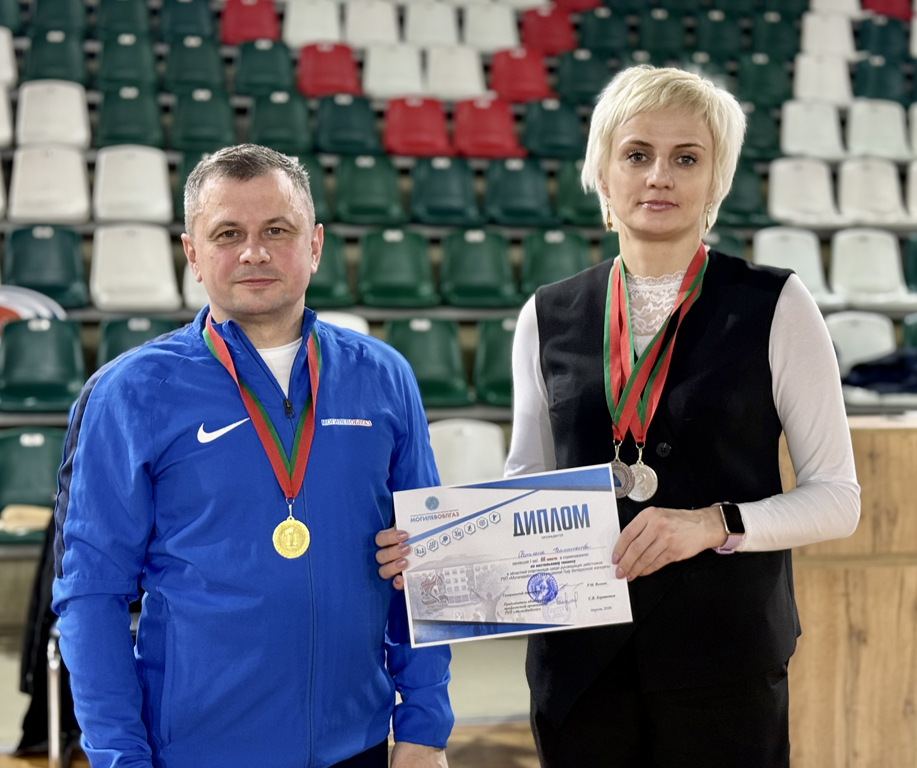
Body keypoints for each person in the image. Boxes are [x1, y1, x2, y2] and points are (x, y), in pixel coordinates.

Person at [377, 66, 860, 766]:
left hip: (724, 659)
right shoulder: (546, 313)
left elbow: (838, 499)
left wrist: (716, 523)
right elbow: (527, 482)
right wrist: (438, 549)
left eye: (686, 158)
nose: (659, 176)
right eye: (636, 154)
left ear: (716, 181)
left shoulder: (775, 304)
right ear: (602, 174)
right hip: (578, 663)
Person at [52, 144, 453, 768]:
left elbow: (424, 559)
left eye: (277, 230)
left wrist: (425, 728)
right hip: (193, 753)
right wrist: (118, 757)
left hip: (359, 745)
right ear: (192, 254)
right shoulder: (131, 392)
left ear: (315, 245)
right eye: (227, 234)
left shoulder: (382, 376)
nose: (254, 252)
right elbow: (91, 592)